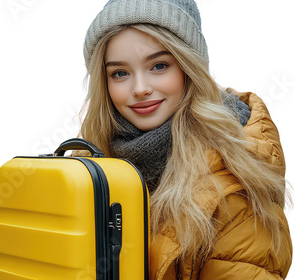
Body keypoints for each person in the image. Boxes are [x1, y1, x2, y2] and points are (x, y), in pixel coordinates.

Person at [78, 0, 292, 278]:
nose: (140, 89)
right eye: (120, 73)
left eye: (159, 66)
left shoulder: (234, 182)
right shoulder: (91, 160)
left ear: (188, 68)